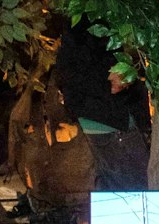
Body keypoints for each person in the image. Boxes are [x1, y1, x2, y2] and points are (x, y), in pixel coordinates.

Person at [57, 23, 149, 191]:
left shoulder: (79, 24)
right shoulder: (96, 23)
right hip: (112, 118)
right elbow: (78, 72)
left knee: (115, 186)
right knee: (134, 187)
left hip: (99, 117)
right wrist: (111, 84)